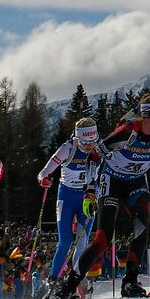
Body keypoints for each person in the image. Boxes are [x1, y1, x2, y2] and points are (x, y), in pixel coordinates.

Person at [51, 93, 150, 299]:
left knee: (142, 230)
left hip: (137, 182)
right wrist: (90, 190)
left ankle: (130, 282)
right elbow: (94, 157)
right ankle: (69, 284)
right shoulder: (125, 133)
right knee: (102, 240)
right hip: (111, 181)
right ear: (145, 118)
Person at [36, 117, 104, 284]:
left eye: (92, 142)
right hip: (66, 197)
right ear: (77, 138)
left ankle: (77, 278)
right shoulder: (67, 148)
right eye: (85, 142)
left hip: (88, 197)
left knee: (82, 241)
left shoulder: (100, 148)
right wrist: (43, 179)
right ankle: (54, 278)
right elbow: (43, 172)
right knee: (65, 240)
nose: (89, 147)